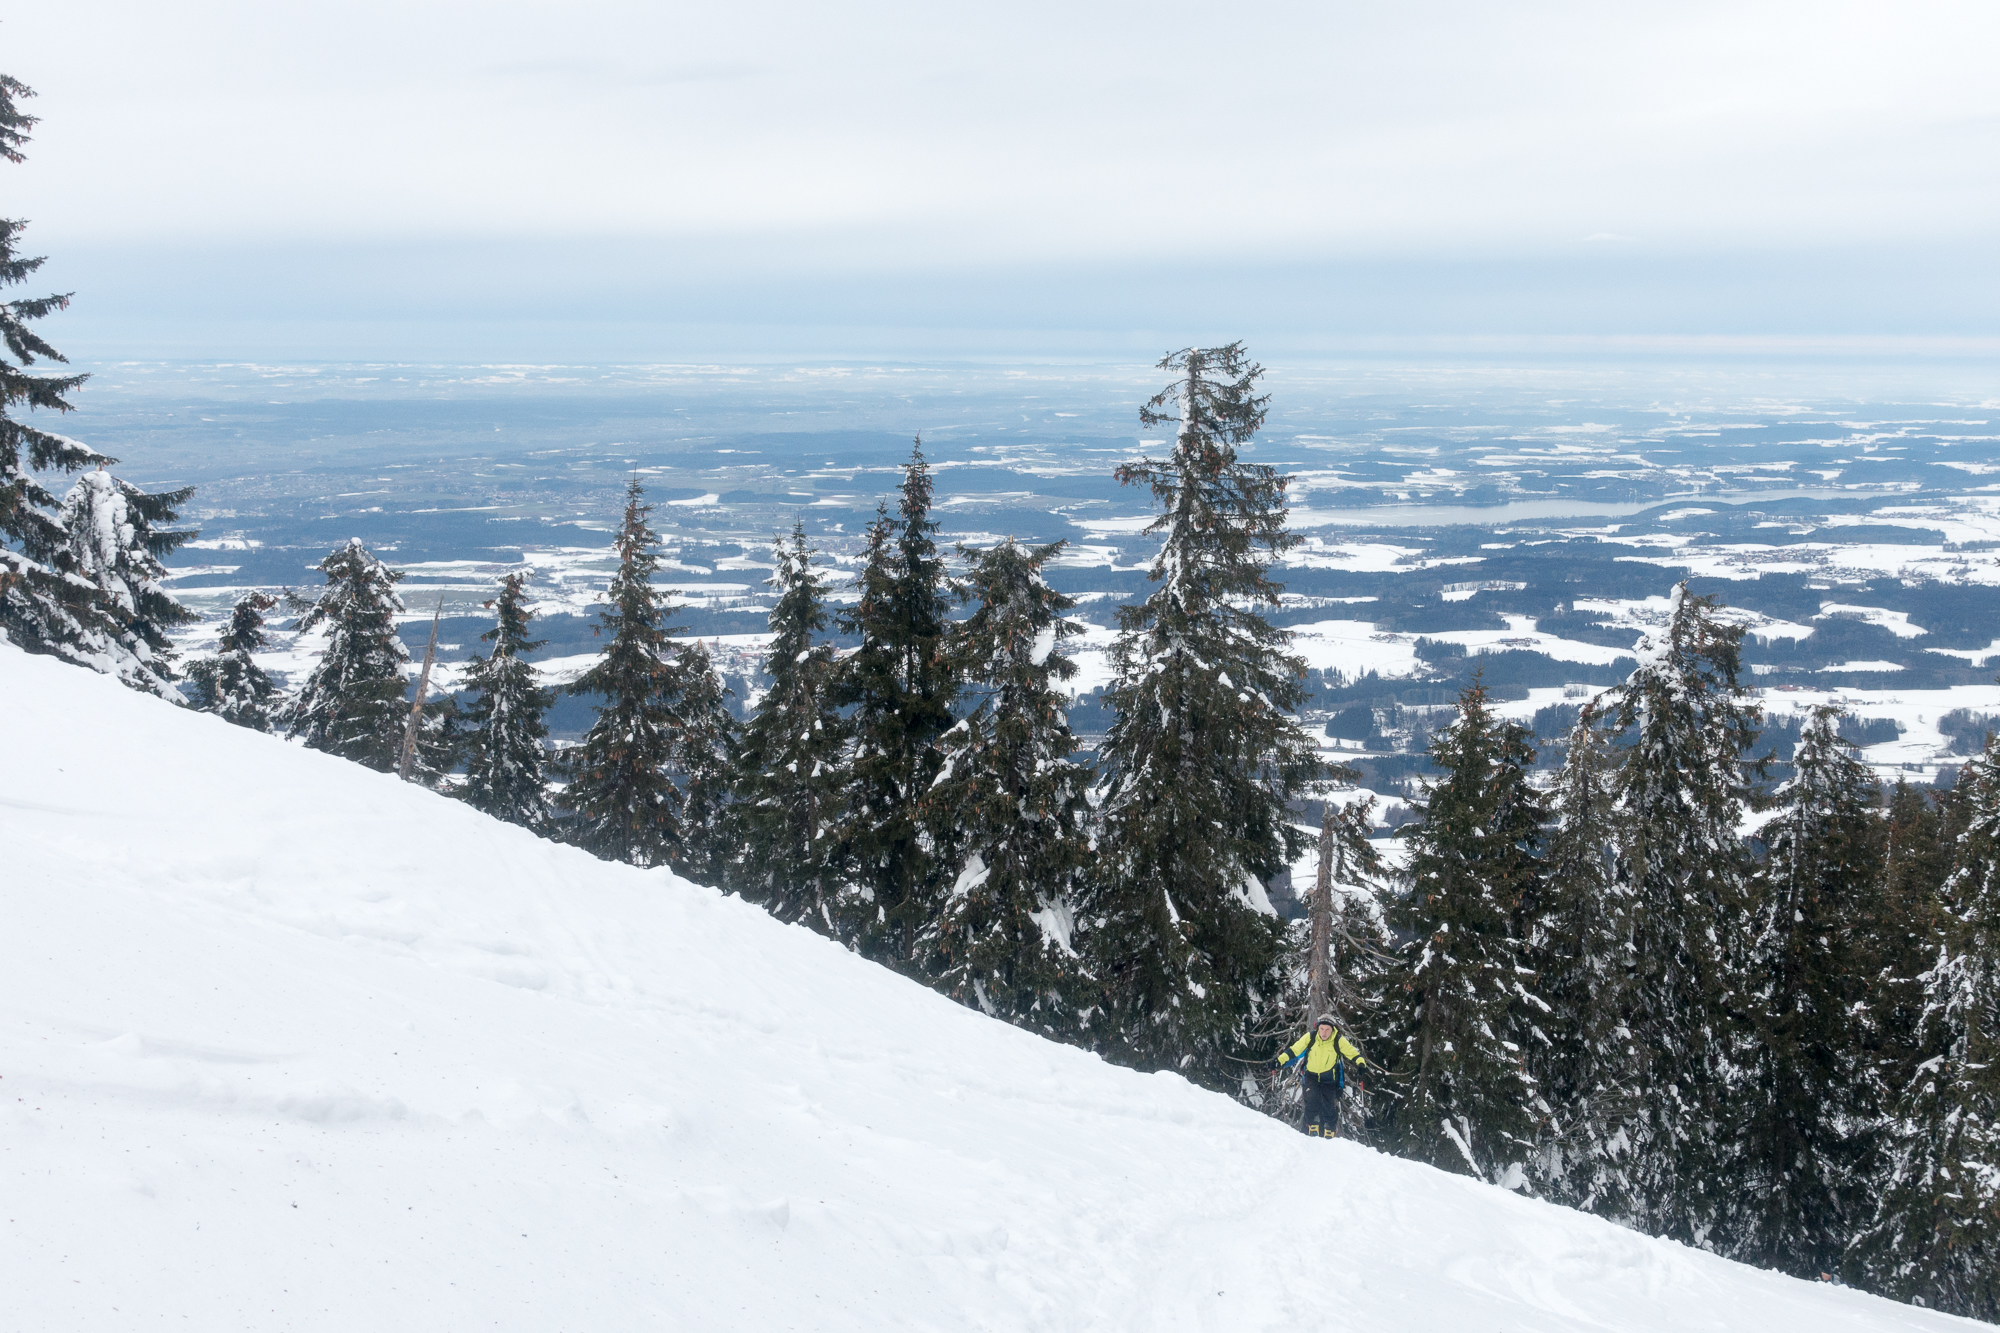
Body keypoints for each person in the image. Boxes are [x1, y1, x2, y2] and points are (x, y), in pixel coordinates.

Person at [1278, 1014, 1366, 1138]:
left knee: (1329, 1105)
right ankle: (1309, 1129)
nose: (1324, 1033)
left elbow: (1352, 1053)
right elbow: (1294, 1050)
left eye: (1327, 1029)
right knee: (1311, 1101)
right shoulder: (1311, 1037)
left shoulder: (1338, 1040)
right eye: (1322, 1029)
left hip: (1329, 1078)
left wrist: (1361, 1063)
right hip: (1311, 1076)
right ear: (1318, 1028)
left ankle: (1329, 1130)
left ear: (1333, 1029)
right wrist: (1280, 1061)